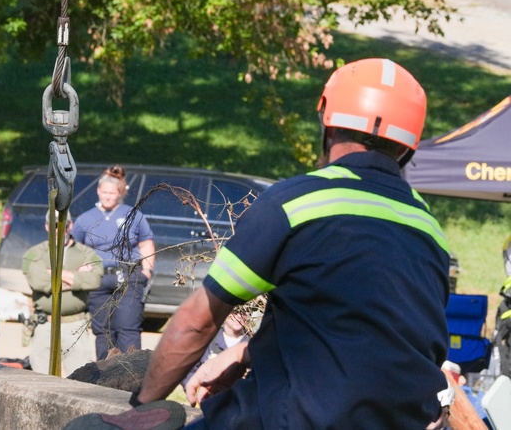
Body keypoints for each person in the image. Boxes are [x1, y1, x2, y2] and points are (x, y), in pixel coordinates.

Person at [135, 58, 451, 429]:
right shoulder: (430, 229)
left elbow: (197, 323)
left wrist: (142, 407)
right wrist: (244, 353)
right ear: (407, 148)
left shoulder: (298, 202)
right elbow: (368, 333)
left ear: (328, 126)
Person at [72, 165, 155, 360]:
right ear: (98, 191)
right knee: (103, 331)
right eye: (105, 192)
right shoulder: (85, 219)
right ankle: (104, 378)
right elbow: (74, 247)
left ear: (120, 193)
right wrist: (81, 267)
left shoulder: (133, 214)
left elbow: (146, 243)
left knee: (127, 328)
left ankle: (132, 377)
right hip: (98, 279)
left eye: (112, 193)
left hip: (128, 276)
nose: (108, 196)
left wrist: (147, 271)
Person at [21, 217, 103, 377]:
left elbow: (94, 280)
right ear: (47, 226)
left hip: (76, 325)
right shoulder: (33, 253)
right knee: (40, 383)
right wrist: (77, 278)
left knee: (80, 383)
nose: (59, 230)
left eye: (63, 225)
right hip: (45, 326)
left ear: (70, 225)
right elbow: (38, 282)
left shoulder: (87, 253)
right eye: (54, 225)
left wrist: (52, 274)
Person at [179, 314, 249, 391]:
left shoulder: (252, 345)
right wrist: (197, 390)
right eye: (235, 312)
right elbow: (187, 370)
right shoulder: (208, 338)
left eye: (244, 313)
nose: (239, 316)